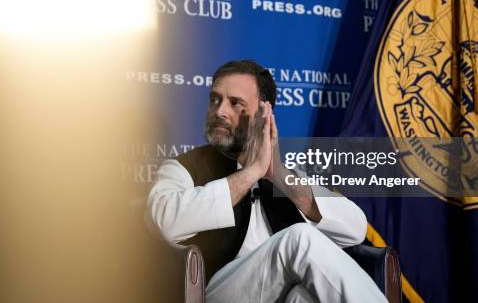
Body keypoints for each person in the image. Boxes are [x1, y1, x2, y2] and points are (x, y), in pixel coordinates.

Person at [145, 60, 386, 302]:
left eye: (235, 103)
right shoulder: (184, 168)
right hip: (218, 291)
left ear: (264, 114)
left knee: (305, 296)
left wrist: (277, 175)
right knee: (299, 239)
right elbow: (164, 223)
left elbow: (355, 230)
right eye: (215, 100)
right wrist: (251, 173)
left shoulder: (285, 176)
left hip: (280, 293)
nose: (220, 111)